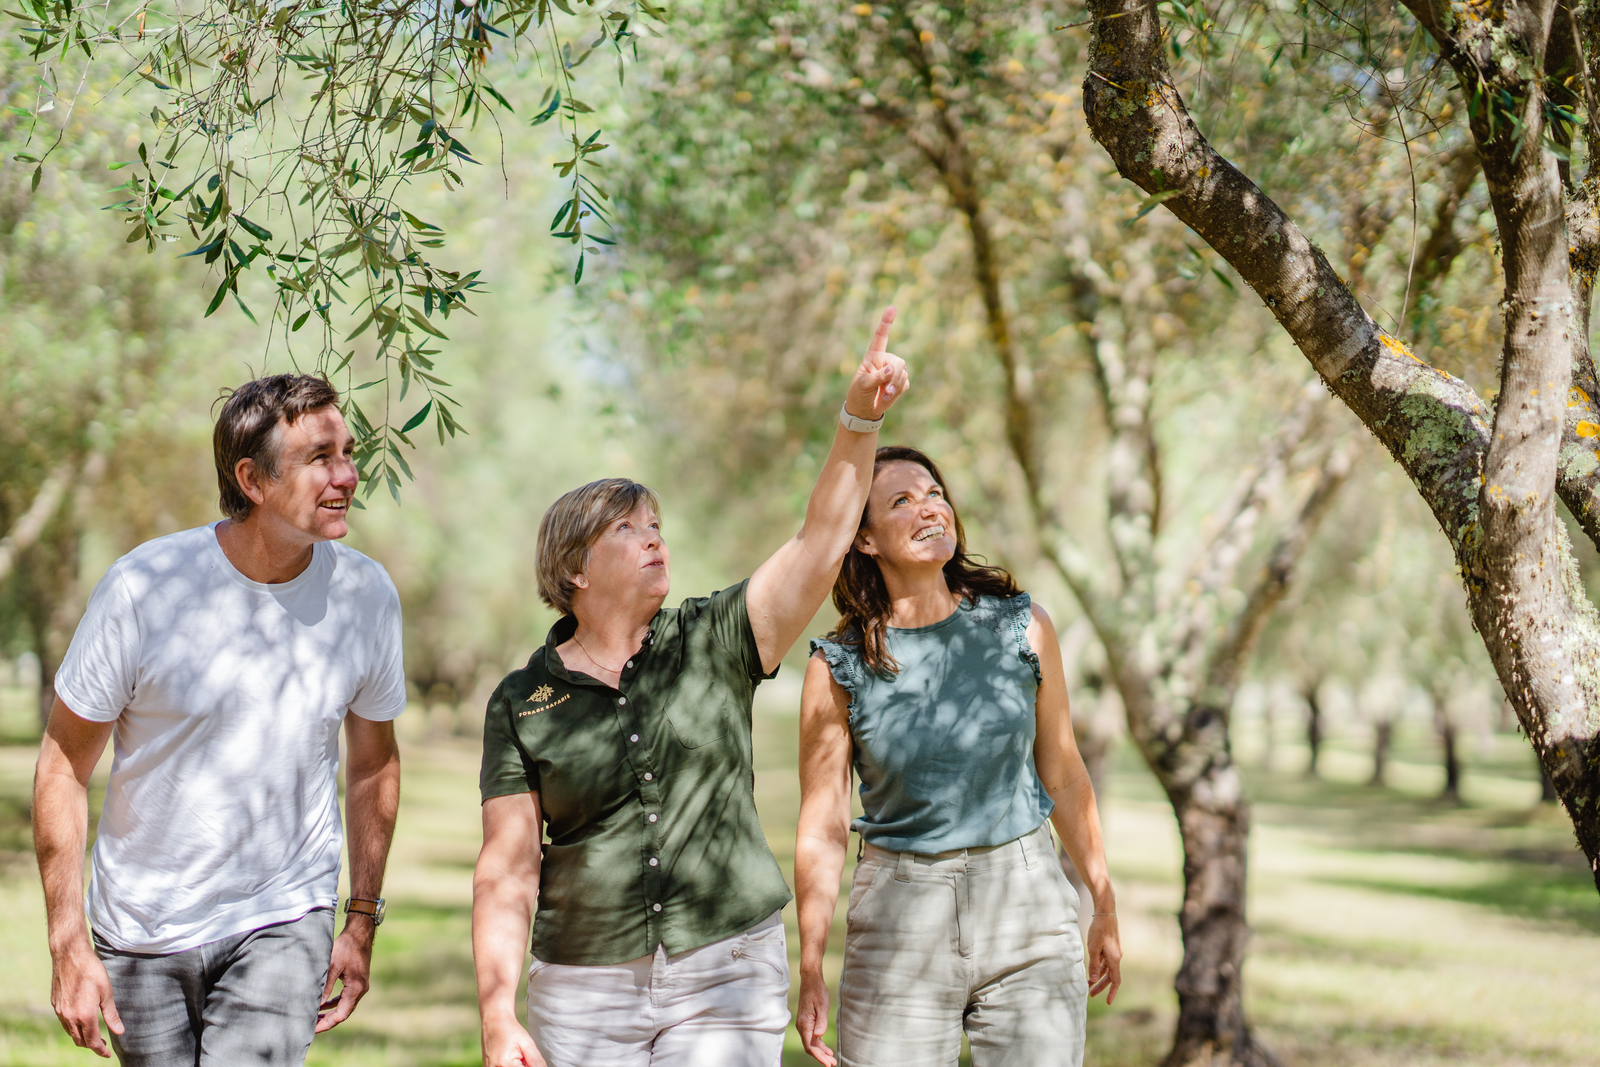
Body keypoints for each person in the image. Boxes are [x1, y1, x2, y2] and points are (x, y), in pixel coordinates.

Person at [472, 308, 911, 1067]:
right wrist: (495, 1009)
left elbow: (820, 540)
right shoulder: (521, 701)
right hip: (582, 989)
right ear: (573, 569)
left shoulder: (714, 636)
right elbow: (509, 865)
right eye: (627, 528)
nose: (654, 538)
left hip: (725, 974)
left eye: (657, 525)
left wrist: (858, 422)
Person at [33, 374, 407, 1065]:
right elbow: (62, 766)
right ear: (252, 478)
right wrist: (67, 938)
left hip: (284, 915)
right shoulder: (144, 588)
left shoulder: (366, 595)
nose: (348, 475)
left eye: (348, 452)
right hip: (142, 927)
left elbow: (373, 762)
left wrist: (360, 917)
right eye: (320, 457)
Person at [793, 446, 1122, 1067]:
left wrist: (1102, 900)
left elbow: (1065, 773)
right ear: (864, 540)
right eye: (901, 501)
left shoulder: (1023, 627)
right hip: (898, 913)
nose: (928, 509)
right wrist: (811, 960)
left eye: (934, 493)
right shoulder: (836, 666)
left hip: (1027, 903)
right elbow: (822, 824)